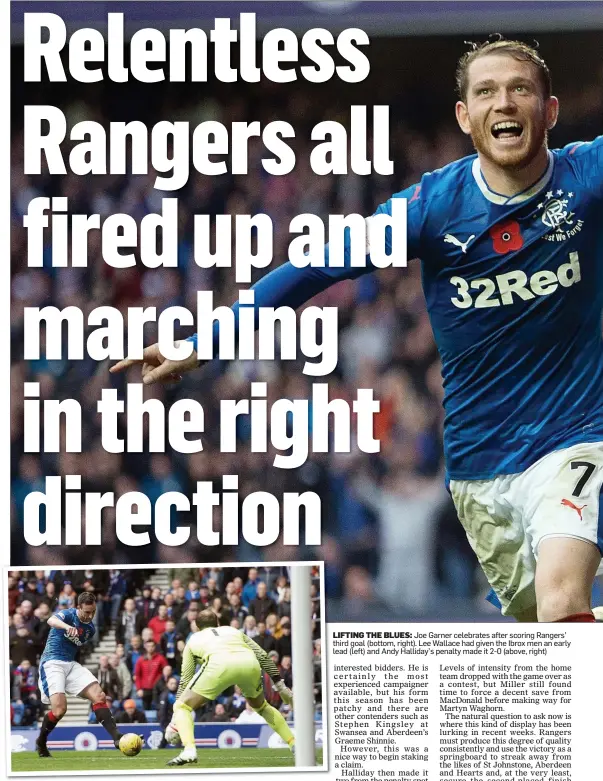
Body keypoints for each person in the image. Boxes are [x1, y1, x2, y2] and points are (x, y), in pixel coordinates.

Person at [112, 38, 603, 624]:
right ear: (464, 116)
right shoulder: (432, 208)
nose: (504, 102)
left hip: (577, 437)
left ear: (548, 111)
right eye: (486, 92)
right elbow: (313, 267)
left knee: (562, 595)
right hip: (480, 463)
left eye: (521, 89)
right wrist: (205, 341)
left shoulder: (587, 177)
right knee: (548, 631)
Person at [164, 608, 294, 767]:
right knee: (262, 707)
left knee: (182, 705)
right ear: (217, 623)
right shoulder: (233, 631)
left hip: (219, 666)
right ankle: (294, 743)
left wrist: (175, 720)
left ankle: (189, 749)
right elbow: (262, 655)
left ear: (197, 626)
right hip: (249, 664)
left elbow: (185, 679)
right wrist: (281, 687)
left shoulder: (193, 639)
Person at [35, 592, 126, 757]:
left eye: (93, 612)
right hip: (52, 663)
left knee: (99, 696)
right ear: (78, 608)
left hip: (70, 664)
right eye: (86, 612)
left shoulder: (90, 629)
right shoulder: (69, 615)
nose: (90, 616)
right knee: (59, 710)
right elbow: (51, 620)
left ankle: (117, 738)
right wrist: (68, 627)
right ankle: (41, 741)